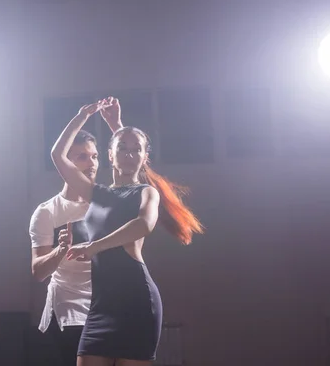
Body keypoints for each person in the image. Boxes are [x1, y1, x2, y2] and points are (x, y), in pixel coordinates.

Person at [51, 98, 203, 366]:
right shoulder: (95, 193)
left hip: (136, 301)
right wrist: (81, 117)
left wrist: (93, 246)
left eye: (137, 150)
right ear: (110, 154)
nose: (130, 155)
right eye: (122, 149)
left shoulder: (146, 192)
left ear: (145, 157)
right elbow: (57, 156)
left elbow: (143, 224)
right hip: (101, 307)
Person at [29, 99, 123, 366]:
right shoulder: (47, 212)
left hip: (108, 303)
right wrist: (60, 251)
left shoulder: (105, 201)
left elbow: (131, 172)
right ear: (66, 163)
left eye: (94, 156)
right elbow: (38, 272)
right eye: (82, 156)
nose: (91, 162)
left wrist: (116, 125)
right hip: (70, 308)